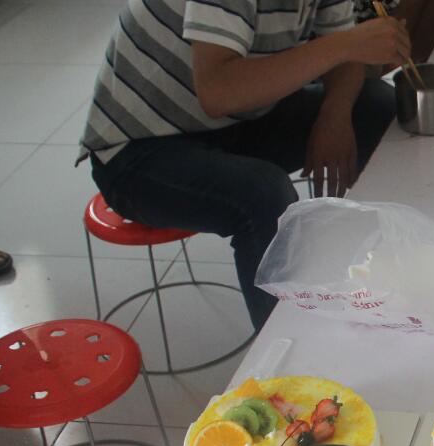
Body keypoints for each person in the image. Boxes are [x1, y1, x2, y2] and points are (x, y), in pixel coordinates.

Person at [78, 0, 410, 329]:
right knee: (263, 195)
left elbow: (343, 52)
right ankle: (286, 347)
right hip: (137, 150)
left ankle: (389, 274)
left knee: (374, 107)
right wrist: (345, 45)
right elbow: (217, 92)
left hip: (234, 121)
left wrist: (334, 114)